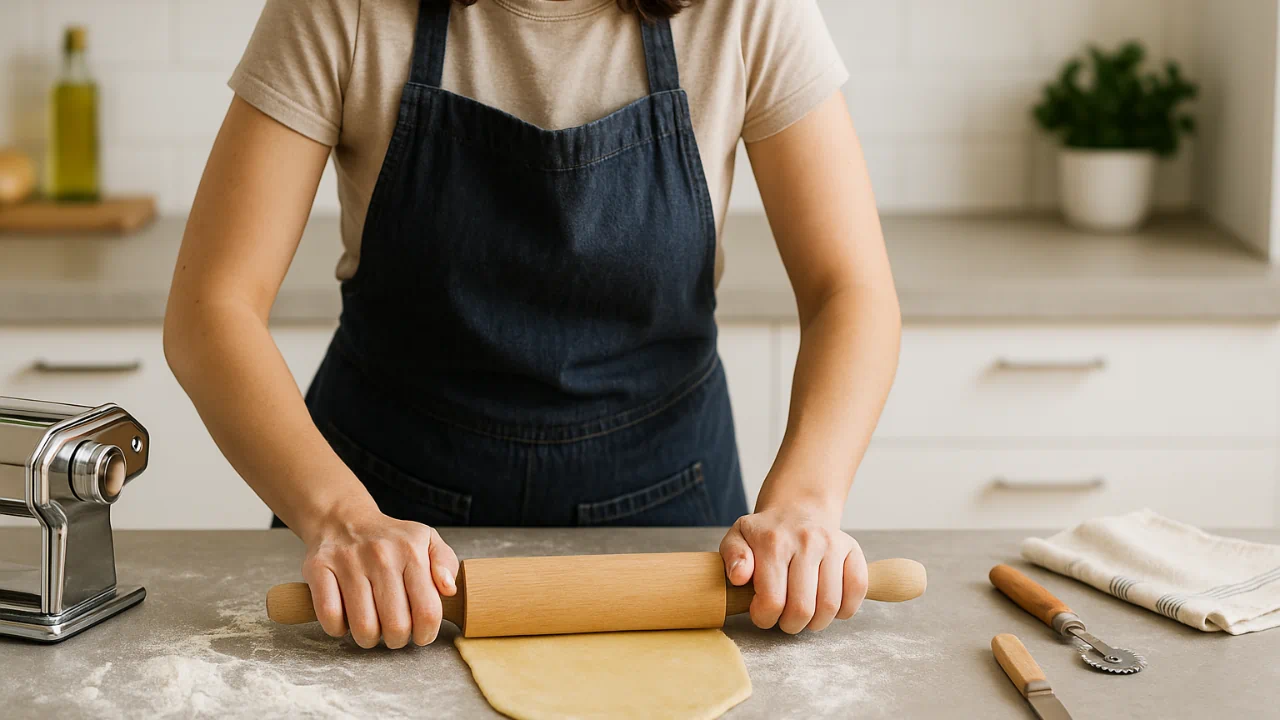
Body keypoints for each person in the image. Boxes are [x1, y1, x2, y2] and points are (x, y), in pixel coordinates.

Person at [165, 0, 900, 650]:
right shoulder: (341, 7)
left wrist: (807, 501)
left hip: (669, 520)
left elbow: (852, 290)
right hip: (384, 527)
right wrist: (338, 517)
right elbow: (212, 309)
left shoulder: (745, 10)